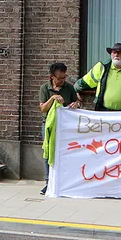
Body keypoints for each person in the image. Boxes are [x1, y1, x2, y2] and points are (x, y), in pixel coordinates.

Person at [38, 62, 82, 195]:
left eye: (64, 77)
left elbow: (78, 103)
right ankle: (48, 182)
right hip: (49, 125)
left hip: (65, 126)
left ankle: (65, 180)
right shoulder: (44, 88)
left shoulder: (69, 88)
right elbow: (43, 108)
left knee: (66, 152)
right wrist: (52, 98)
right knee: (48, 153)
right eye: (59, 78)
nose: (62, 80)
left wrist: (76, 104)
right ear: (52, 77)